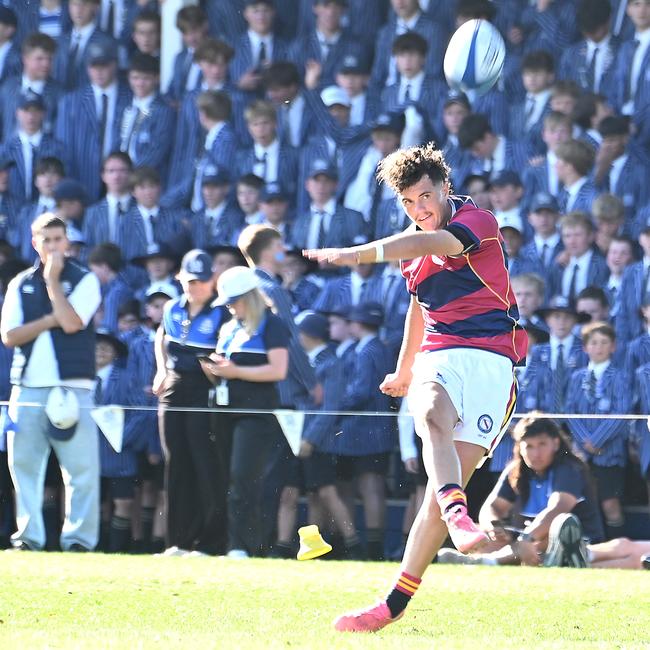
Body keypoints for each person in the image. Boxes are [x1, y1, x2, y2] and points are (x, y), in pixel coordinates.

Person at [304, 142, 527, 632]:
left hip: (493, 360)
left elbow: (435, 244)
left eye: (425, 196)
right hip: (442, 352)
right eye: (408, 203)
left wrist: (359, 254)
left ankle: (394, 604)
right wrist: (405, 369)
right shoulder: (410, 246)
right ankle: (460, 518)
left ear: (445, 187)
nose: (419, 210)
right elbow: (418, 310)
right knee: (428, 415)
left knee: (433, 500)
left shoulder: (478, 221)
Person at [0, 213, 102, 551]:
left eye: (59, 240)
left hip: (73, 385)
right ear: (35, 243)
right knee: (23, 465)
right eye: (47, 240)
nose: (54, 246)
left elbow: (73, 323)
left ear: (67, 242)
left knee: (81, 468)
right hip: (28, 384)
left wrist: (53, 281)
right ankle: (29, 537)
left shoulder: (85, 280)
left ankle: (79, 540)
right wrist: (48, 319)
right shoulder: (20, 283)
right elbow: (10, 335)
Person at [200, 265, 290, 558]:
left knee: (244, 477)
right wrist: (216, 370)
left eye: (233, 301)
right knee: (226, 478)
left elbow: (278, 370)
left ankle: (244, 545)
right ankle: (227, 543)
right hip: (224, 410)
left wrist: (235, 370)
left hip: (256, 415)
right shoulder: (229, 327)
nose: (229, 307)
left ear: (248, 297)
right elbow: (228, 371)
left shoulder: (272, 324)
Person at [439, 416, 604, 567]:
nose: (536, 453)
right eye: (529, 446)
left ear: (555, 443)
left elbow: (559, 508)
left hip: (575, 541)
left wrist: (526, 538)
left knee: (543, 540)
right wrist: (494, 527)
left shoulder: (569, 469)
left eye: (542, 445)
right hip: (526, 539)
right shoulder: (516, 470)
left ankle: (487, 561)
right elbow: (492, 507)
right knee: (479, 535)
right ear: (519, 447)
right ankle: (499, 557)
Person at [153, 249, 230, 557]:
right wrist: (161, 369)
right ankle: (178, 542)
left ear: (212, 280)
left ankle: (211, 542)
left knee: (206, 463)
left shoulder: (222, 311)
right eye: (189, 280)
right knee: (177, 463)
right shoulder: (172, 308)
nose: (194, 286)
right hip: (175, 386)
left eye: (200, 281)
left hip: (206, 389)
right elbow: (162, 336)